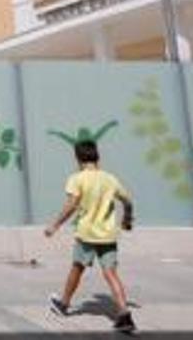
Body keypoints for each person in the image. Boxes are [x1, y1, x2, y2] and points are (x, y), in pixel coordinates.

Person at [44, 139, 136, 334]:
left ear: (77, 158)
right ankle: (125, 314)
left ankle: (63, 304)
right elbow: (127, 200)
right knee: (111, 273)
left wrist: (55, 225)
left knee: (77, 268)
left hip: (86, 234)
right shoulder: (110, 179)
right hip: (108, 235)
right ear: (97, 156)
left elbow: (71, 205)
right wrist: (127, 219)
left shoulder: (77, 179)